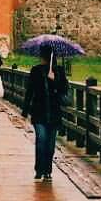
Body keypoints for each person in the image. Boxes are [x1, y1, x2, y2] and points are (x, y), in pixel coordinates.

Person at [23, 46, 68, 181]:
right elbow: (30, 90)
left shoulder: (59, 71)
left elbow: (64, 89)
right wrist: (25, 110)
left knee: (50, 145)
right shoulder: (36, 70)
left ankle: (48, 170)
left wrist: (54, 80)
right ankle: (39, 169)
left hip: (54, 113)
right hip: (39, 112)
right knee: (41, 140)